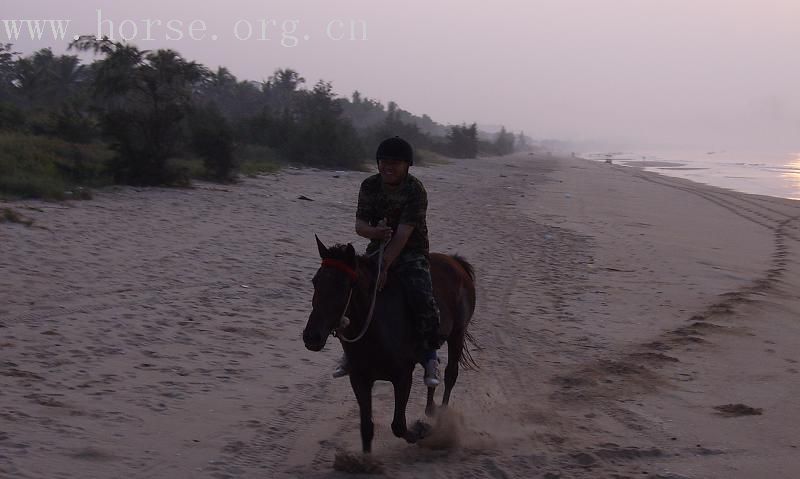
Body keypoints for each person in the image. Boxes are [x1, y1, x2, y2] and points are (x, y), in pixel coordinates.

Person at [333, 136, 443, 387]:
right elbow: (360, 226)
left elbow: (404, 234)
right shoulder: (369, 186)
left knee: (422, 298)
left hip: (412, 252)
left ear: (407, 165)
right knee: (352, 294)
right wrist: (375, 234)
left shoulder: (415, 190)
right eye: (383, 161)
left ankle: (430, 357)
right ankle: (349, 354)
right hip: (377, 248)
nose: (388, 167)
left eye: (395, 162)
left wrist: (384, 266)